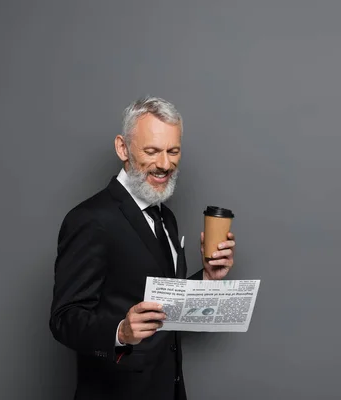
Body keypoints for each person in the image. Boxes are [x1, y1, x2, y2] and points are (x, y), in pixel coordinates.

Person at [49, 96, 236, 400]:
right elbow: (64, 319)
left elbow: (164, 306)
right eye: (152, 151)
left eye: (173, 151)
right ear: (123, 148)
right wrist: (120, 331)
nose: (164, 164)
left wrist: (208, 279)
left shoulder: (166, 217)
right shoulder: (90, 219)